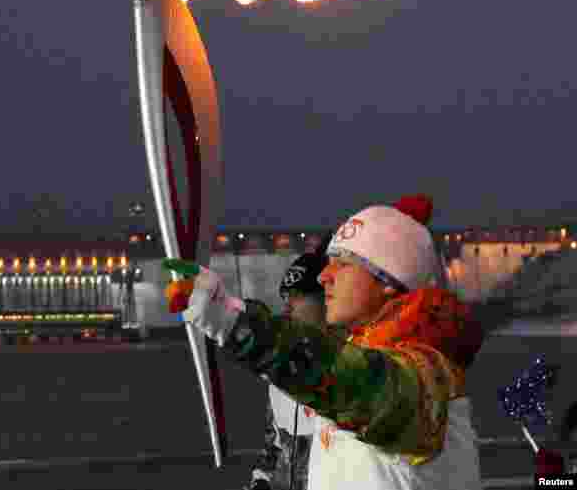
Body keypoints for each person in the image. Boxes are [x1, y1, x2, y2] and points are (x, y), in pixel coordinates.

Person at [166, 194, 485, 490]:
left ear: (388, 281)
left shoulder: (425, 378)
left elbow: (352, 383)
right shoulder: (367, 359)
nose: (324, 276)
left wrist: (235, 322)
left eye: (343, 262)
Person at [247, 242, 329, 490]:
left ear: (327, 296)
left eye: (298, 295)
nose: (287, 305)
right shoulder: (281, 369)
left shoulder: (356, 366)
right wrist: (260, 482)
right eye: (285, 297)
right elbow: (273, 443)